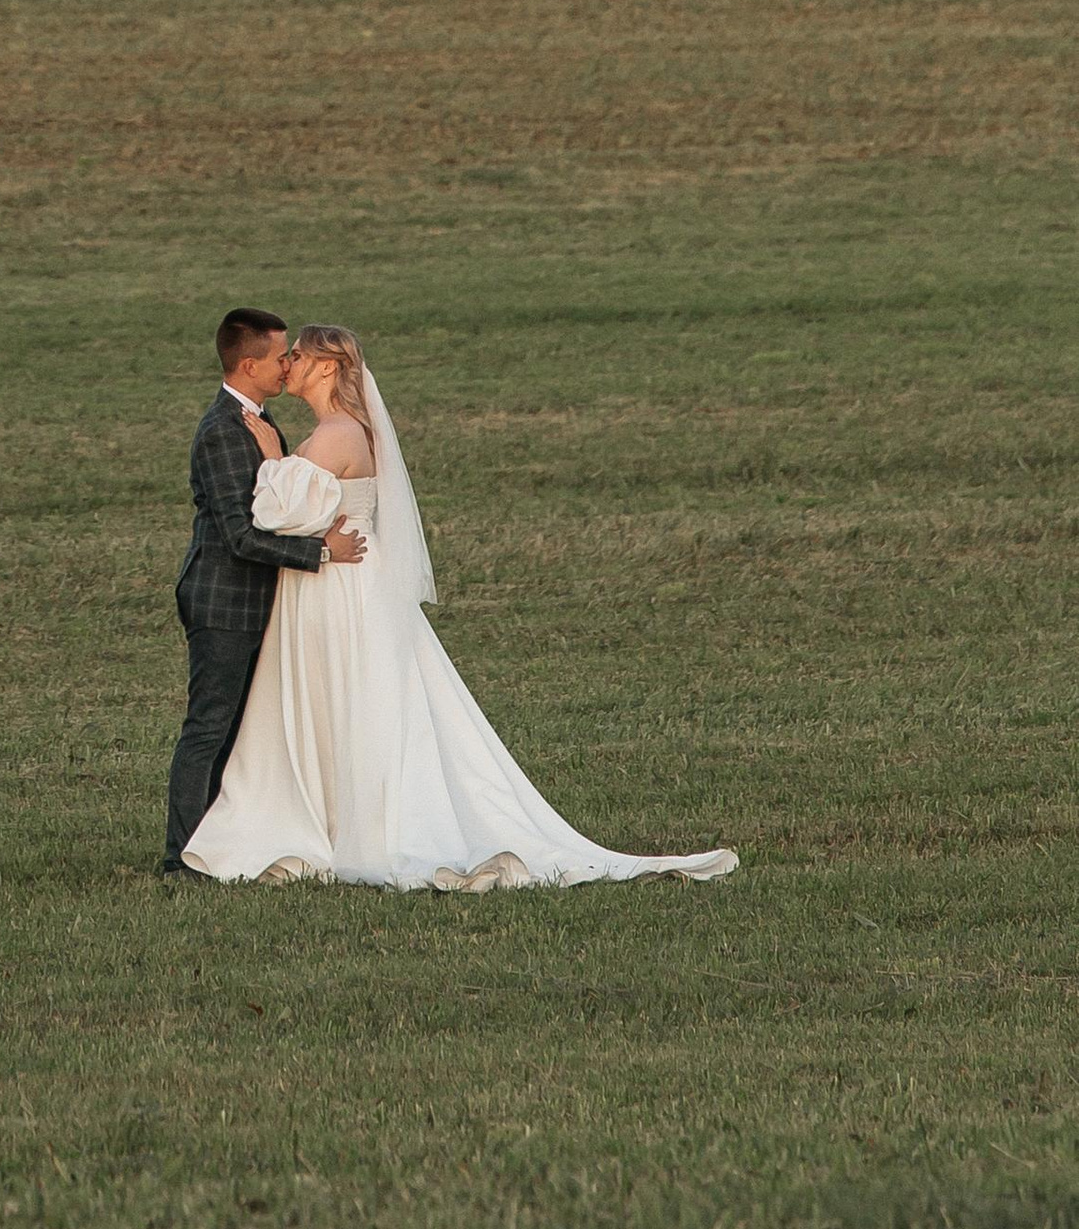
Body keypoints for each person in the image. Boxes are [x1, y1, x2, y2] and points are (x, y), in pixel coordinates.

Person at [179, 323, 736, 891]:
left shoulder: (337, 434)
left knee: (352, 700)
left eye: (298, 354)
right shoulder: (334, 430)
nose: (289, 362)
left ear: (327, 367)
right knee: (342, 702)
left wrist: (274, 461)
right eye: (286, 354)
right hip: (331, 580)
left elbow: (279, 513)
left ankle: (360, 825)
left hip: (340, 585)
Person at [162, 307, 367, 874]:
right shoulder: (224, 432)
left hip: (265, 603)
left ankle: (223, 844)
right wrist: (321, 552)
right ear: (250, 365)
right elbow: (239, 536)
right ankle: (181, 858)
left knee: (240, 735)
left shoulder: (260, 421)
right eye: (281, 357)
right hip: (225, 602)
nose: (288, 365)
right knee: (210, 729)